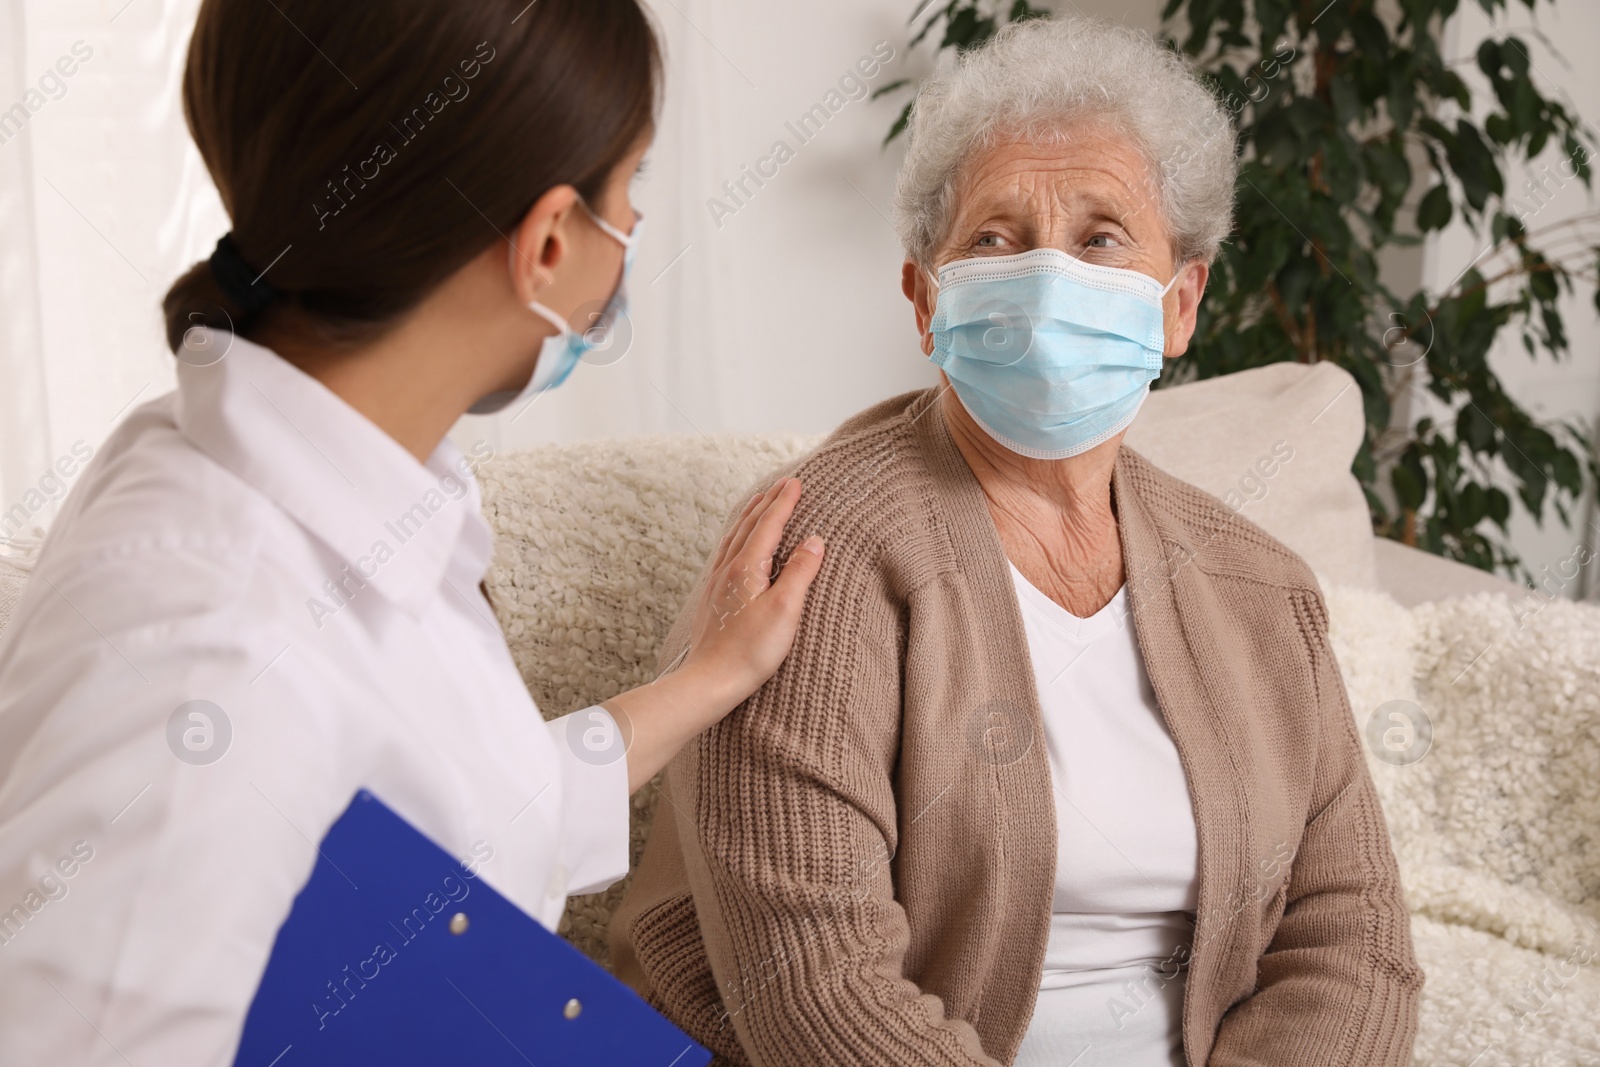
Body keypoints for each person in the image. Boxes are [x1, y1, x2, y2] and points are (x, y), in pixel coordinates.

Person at [0, 0, 825, 1062]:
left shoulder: (351, 486)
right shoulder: (209, 641)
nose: (634, 232)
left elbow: (456, 816)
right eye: (632, 188)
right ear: (548, 242)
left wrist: (711, 675)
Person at [612, 15, 1422, 1067]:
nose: (1048, 283)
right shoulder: (817, 555)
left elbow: (1350, 935)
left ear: (1180, 302)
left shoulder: (1257, 583)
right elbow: (814, 987)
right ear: (923, 296)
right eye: (993, 239)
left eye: (1099, 238)